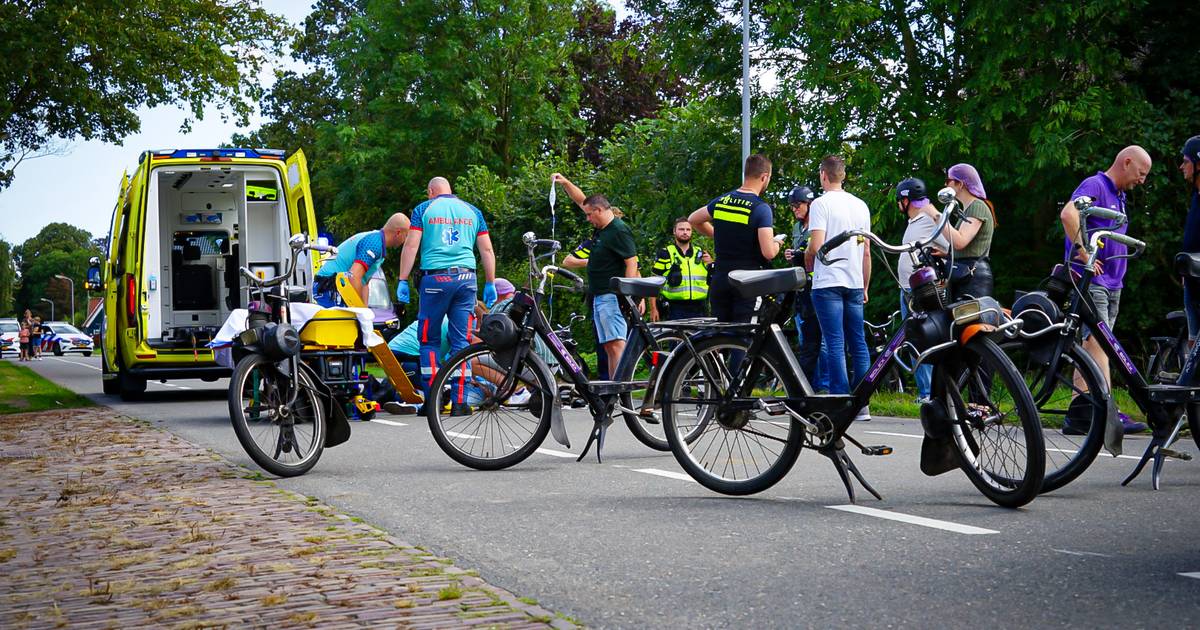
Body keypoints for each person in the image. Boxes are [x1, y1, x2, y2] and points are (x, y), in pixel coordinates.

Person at [1060, 145, 1152, 435]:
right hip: (1092, 280)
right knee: (1101, 344)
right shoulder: (1096, 185)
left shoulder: (1120, 196)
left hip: (1113, 282)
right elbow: (1068, 214)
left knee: (1091, 346)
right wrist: (1084, 252)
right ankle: (1110, 412)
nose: (1142, 180)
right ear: (1126, 163)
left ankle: (1078, 414)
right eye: (1141, 173)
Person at [396, 177, 497, 408]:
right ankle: (460, 402)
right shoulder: (473, 212)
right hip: (466, 279)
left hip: (435, 280)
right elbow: (487, 249)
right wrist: (490, 281)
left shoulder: (423, 209)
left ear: (431, 191)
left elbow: (411, 245)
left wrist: (402, 279)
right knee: (461, 341)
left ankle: (432, 401)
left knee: (428, 341)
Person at [552, 173, 640, 372]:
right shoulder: (602, 230)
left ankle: (623, 391)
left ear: (600, 210)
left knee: (617, 345)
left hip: (612, 296)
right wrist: (566, 182)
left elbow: (632, 262)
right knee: (609, 346)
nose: (587, 218)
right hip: (599, 295)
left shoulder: (618, 230)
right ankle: (612, 392)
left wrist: (628, 294)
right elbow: (582, 201)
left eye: (590, 215)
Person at [805, 155, 872, 416]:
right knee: (858, 342)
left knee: (834, 343)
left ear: (824, 174)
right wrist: (865, 285)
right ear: (843, 175)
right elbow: (866, 251)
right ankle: (862, 403)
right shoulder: (861, 206)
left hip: (828, 282)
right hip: (854, 280)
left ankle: (840, 401)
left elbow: (816, 245)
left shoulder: (821, 204)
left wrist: (808, 260)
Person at [689, 154, 781, 322]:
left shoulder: (722, 201)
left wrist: (718, 234)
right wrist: (776, 243)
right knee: (743, 340)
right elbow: (768, 252)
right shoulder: (760, 208)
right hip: (747, 283)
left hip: (720, 280)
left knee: (721, 339)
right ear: (764, 177)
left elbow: (693, 219)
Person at [895, 178, 948, 403]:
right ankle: (925, 391)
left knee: (923, 340)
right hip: (907, 290)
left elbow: (949, 246)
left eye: (900, 201)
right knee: (914, 341)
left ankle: (928, 393)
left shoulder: (928, 217)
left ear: (906, 200)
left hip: (921, 292)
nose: (899, 205)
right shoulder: (914, 221)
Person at [312, 213, 410, 307]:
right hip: (328, 284)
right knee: (346, 322)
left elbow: (364, 283)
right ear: (398, 233)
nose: (406, 240)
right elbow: (354, 276)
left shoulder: (379, 244)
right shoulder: (374, 244)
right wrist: (359, 309)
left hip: (336, 285)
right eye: (406, 236)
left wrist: (365, 311)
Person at [935, 163, 995, 299]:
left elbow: (960, 241)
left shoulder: (977, 206)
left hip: (972, 280)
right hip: (966, 276)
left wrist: (936, 216)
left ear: (960, 184)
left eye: (948, 181)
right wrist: (945, 254)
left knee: (969, 320)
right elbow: (967, 248)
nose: (945, 185)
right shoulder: (967, 210)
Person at [784, 185, 822, 385]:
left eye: (797, 205)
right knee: (805, 341)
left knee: (821, 344)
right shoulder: (797, 227)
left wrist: (800, 255)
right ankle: (810, 386)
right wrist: (793, 254)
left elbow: (819, 253)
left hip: (818, 286)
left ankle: (824, 386)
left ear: (809, 204)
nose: (794, 209)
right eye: (792, 206)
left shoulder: (819, 224)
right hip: (802, 290)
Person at [649, 217, 712, 321]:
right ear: (674, 231)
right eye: (681, 229)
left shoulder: (701, 254)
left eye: (688, 230)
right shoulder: (665, 254)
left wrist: (711, 263)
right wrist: (653, 309)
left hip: (700, 309)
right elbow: (653, 283)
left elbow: (714, 278)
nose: (685, 232)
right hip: (674, 309)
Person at [1180, 135, 1200, 347]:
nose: (1181, 166)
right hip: (1192, 279)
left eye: (1186, 161)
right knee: (1193, 342)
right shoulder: (1196, 195)